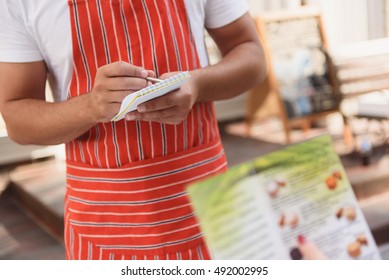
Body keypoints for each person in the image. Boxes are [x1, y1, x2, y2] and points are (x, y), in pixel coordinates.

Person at [0, 0, 266, 260]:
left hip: (211, 210)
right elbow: (17, 120)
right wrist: (91, 107)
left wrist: (197, 84)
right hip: (102, 227)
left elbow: (252, 55)